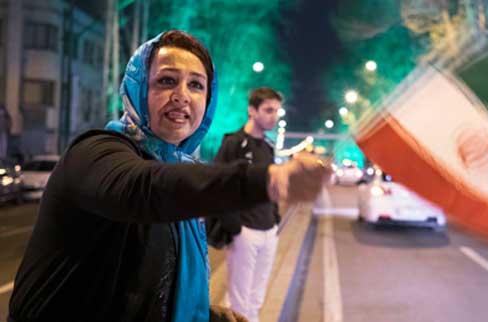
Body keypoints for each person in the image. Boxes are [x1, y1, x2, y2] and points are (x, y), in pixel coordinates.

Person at [8, 30, 330, 322]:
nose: (182, 96)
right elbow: (144, 188)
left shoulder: (179, 168)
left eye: (196, 85)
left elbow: (148, 288)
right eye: (166, 81)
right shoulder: (95, 153)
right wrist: (269, 181)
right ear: (137, 88)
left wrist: (209, 315)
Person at [210, 87, 283, 322]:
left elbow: (271, 187)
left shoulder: (269, 147)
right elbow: (217, 184)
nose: (274, 116)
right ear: (252, 111)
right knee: (239, 300)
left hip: (268, 230)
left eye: (276, 111)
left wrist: (275, 218)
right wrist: (234, 227)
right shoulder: (234, 143)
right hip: (245, 231)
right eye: (268, 110)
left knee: (257, 298)